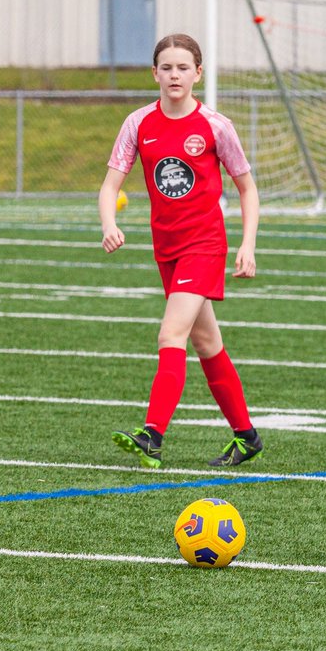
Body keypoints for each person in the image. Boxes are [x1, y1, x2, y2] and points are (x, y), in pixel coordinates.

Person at [100, 34, 263, 469]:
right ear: (154, 73)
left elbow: (247, 188)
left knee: (170, 335)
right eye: (167, 67)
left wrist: (246, 244)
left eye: (183, 68)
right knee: (207, 341)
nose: (175, 75)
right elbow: (110, 184)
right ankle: (246, 436)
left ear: (198, 74)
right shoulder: (138, 123)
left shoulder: (215, 125)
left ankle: (152, 434)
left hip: (204, 244)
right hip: (166, 247)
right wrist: (109, 223)